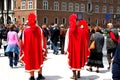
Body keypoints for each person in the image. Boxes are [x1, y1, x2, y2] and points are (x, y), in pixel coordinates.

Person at [64, 13, 90, 80]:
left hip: (72, 49)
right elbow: (85, 40)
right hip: (80, 49)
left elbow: (67, 40)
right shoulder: (81, 30)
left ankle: (74, 74)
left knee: (72, 61)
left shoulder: (69, 30)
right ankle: (78, 73)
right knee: (79, 60)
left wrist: (65, 49)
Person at [22, 13, 45, 80]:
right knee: (39, 61)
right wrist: (43, 48)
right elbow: (42, 40)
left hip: (29, 50)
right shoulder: (39, 29)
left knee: (30, 62)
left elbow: (22, 41)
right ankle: (40, 75)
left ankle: (32, 77)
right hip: (37, 49)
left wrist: (23, 50)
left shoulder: (25, 30)